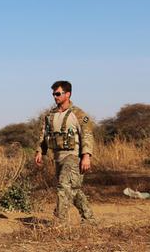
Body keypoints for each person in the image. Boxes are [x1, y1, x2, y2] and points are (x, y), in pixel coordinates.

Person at [35, 81, 95, 223]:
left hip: (73, 156)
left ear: (68, 94)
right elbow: (43, 135)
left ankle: (59, 222)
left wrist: (86, 156)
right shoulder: (50, 116)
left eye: (58, 94)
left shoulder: (79, 114)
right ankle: (90, 219)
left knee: (63, 186)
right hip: (58, 157)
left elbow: (87, 135)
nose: (55, 97)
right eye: (53, 94)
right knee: (73, 190)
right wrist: (39, 152)